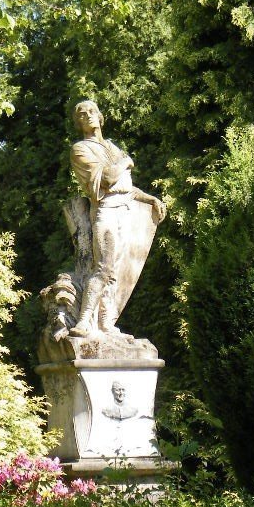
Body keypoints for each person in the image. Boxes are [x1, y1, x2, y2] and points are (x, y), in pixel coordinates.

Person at [68, 100, 165, 337]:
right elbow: (109, 179)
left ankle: (105, 324)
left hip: (124, 211)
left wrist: (150, 199)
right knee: (103, 268)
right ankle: (83, 322)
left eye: (92, 111)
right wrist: (126, 161)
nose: (88, 116)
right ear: (78, 122)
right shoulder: (80, 149)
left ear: (100, 116)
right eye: (82, 114)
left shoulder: (112, 148)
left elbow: (125, 187)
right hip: (106, 211)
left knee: (116, 273)